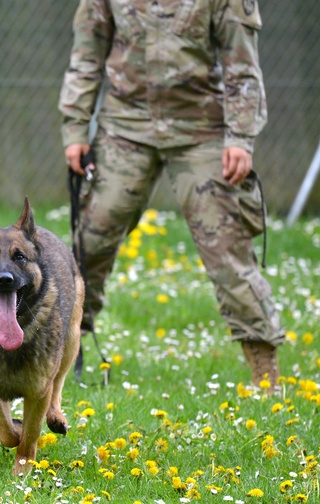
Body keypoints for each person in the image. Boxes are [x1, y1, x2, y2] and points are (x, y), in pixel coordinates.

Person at [60, 0, 285, 391]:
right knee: (91, 237)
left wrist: (240, 138)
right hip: (125, 125)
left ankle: (266, 376)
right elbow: (86, 55)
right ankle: (66, 349)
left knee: (227, 248)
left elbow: (242, 67)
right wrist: (76, 127)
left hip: (202, 128)